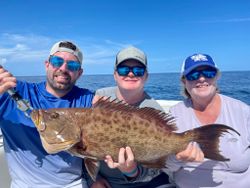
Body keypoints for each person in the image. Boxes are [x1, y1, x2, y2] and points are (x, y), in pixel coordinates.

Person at [0, 41, 94, 187]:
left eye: (72, 65)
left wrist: (97, 177)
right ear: (47, 64)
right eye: (57, 61)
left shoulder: (90, 100)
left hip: (73, 184)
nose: (63, 68)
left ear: (79, 73)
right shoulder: (11, 92)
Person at [89, 46, 175, 188]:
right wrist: (94, 179)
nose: (130, 74)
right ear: (115, 74)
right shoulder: (100, 97)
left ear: (146, 76)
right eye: (124, 69)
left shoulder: (153, 110)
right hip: (107, 182)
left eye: (138, 70)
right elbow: (87, 146)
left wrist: (132, 171)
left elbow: (157, 167)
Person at [166, 53, 250, 187]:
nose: (201, 78)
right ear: (184, 81)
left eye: (208, 73)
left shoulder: (243, 111)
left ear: (216, 76)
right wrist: (178, 159)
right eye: (193, 75)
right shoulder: (174, 114)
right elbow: (167, 167)